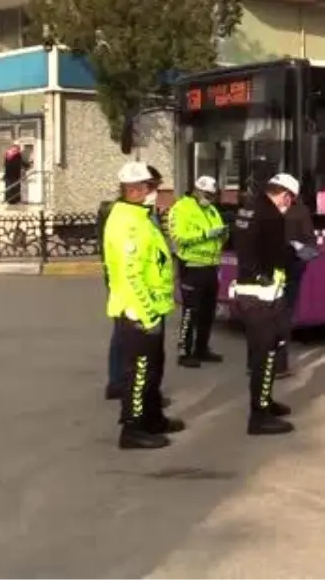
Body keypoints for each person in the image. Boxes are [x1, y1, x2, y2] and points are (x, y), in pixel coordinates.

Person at [103, 161, 184, 450]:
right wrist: (146, 313)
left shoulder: (139, 215)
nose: (154, 193)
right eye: (151, 188)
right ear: (134, 190)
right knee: (138, 373)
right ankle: (132, 428)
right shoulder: (127, 222)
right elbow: (131, 273)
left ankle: (152, 418)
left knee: (153, 368)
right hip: (137, 310)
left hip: (152, 307)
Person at [231, 172, 300, 436]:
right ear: (285, 195)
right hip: (262, 296)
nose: (289, 206)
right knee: (265, 354)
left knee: (265, 351)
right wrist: (294, 253)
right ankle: (259, 416)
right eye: (291, 200)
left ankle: (265, 401)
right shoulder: (271, 216)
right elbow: (276, 255)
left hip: (249, 291)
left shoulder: (248, 208)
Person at [168, 176, 228, 368]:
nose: (209, 199)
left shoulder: (211, 210)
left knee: (208, 312)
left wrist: (223, 234)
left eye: (212, 196)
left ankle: (202, 349)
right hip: (192, 266)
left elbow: (220, 233)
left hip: (211, 266)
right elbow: (179, 236)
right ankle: (184, 352)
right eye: (206, 195)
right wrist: (205, 235)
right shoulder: (181, 208)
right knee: (190, 312)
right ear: (197, 191)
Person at [275, 187, 316, 378]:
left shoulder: (300, 211)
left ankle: (279, 365)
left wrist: (298, 256)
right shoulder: (265, 209)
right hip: (269, 275)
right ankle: (259, 364)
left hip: (290, 271)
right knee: (266, 319)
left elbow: (310, 245)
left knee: (283, 317)